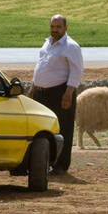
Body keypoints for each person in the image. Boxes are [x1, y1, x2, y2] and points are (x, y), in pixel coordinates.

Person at [30, 14, 83, 174]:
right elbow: (40, 66)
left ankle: (61, 165)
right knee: (42, 127)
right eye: (53, 27)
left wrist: (68, 93)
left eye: (58, 27)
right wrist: (33, 88)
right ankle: (43, 161)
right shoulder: (47, 43)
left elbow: (76, 71)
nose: (55, 30)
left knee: (63, 128)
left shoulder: (70, 46)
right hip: (41, 92)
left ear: (65, 28)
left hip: (60, 92)